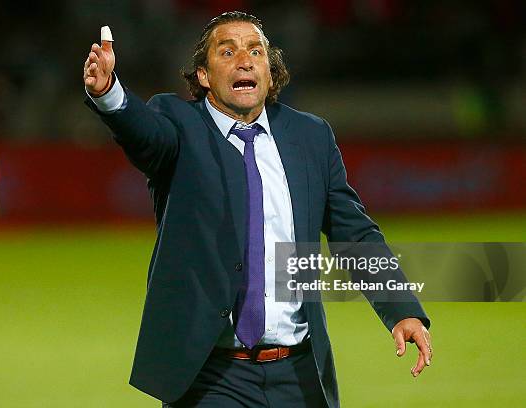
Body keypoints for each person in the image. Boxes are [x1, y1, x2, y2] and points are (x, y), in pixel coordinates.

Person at [83, 11, 432, 408]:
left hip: (299, 373)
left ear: (270, 70)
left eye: (255, 51)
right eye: (227, 51)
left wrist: (402, 309)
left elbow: (354, 233)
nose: (244, 60)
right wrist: (109, 92)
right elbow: (142, 132)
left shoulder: (310, 136)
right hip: (210, 376)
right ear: (203, 75)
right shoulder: (177, 124)